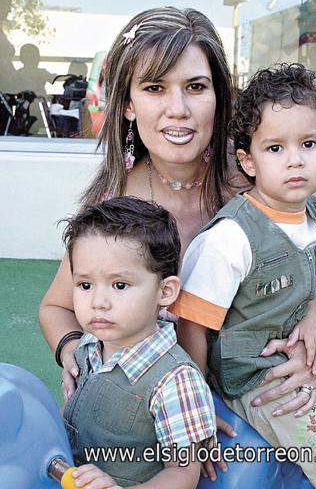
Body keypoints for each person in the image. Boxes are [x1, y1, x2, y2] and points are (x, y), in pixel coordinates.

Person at [39, 6, 316, 481]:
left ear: (221, 96)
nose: (177, 108)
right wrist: (77, 353)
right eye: (155, 88)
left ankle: (307, 444)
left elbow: (309, 261)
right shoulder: (115, 209)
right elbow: (56, 308)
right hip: (185, 373)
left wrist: (314, 326)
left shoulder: (262, 167)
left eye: (196, 87)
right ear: (127, 104)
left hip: (264, 343)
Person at [173, 64, 316, 489]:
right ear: (248, 161)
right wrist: (200, 407)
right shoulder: (231, 239)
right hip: (254, 377)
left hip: (297, 360)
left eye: (308, 144)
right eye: (274, 149)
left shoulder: (311, 211)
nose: (294, 160)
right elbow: (191, 328)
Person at [60, 196, 215, 489]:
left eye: (120, 285)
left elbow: (182, 474)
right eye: (85, 285)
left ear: (165, 292)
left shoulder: (175, 381)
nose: (98, 302)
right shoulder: (89, 347)